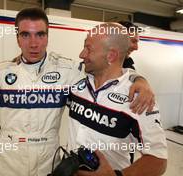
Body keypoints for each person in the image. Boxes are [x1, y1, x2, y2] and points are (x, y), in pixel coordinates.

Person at [0, 8, 155, 176]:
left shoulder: (68, 71)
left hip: (48, 159)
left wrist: (138, 79)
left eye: (40, 34)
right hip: (10, 161)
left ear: (48, 36)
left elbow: (106, 71)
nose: (33, 43)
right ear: (17, 38)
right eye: (26, 35)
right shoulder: (0, 72)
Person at [67, 23, 167, 176]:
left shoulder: (138, 98)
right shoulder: (75, 77)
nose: (82, 54)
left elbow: (158, 160)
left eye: (88, 48)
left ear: (111, 55)